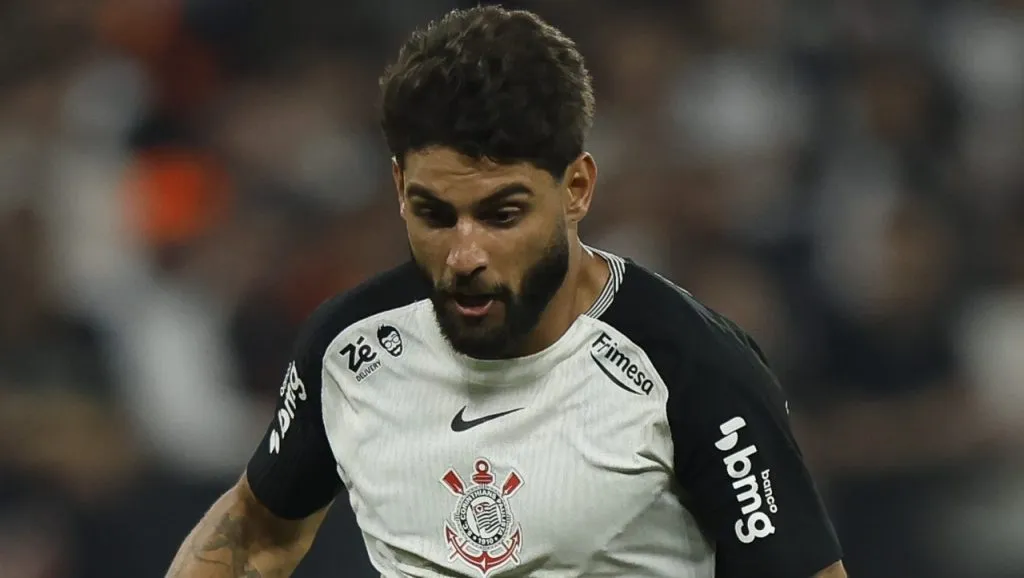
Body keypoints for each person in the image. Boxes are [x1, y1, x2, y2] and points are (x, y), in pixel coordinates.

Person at [165, 6, 846, 577]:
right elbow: (256, 534)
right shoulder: (352, 349)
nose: (463, 256)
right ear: (400, 189)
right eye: (434, 213)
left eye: (502, 215)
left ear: (576, 189)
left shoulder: (690, 367)